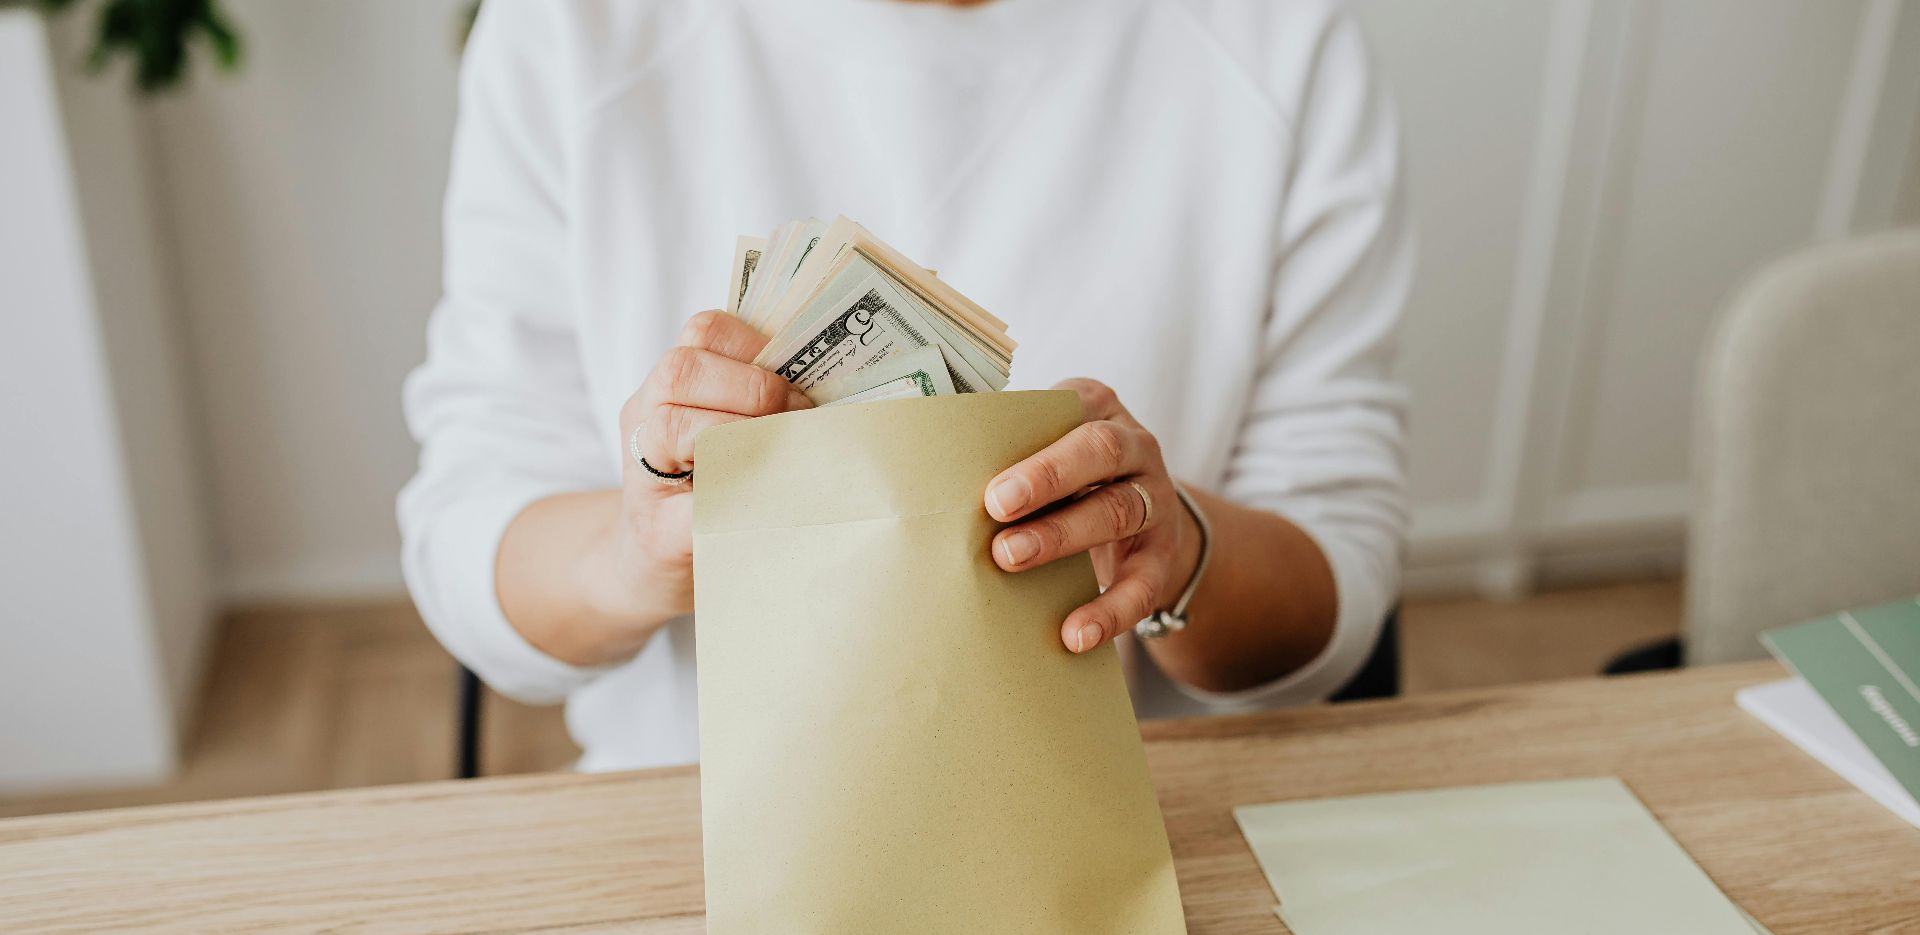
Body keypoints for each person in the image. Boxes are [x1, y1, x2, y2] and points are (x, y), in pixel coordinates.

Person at [400, 0, 1413, 771]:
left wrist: (1180, 554)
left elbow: (1339, 581)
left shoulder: (1276, 38)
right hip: (696, 835)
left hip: (1149, 828)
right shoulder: (570, 32)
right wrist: (634, 558)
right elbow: (470, 541)